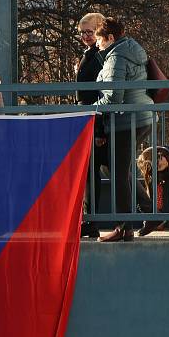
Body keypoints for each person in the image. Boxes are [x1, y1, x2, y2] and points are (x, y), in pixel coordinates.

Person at [92, 17, 155, 242]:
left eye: (99, 39)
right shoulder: (132, 50)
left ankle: (123, 227)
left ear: (110, 38)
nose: (97, 44)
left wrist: (90, 109)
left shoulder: (116, 57)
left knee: (119, 174)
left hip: (126, 121)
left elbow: (113, 98)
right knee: (121, 171)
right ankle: (146, 213)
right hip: (140, 116)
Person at [75, 12, 108, 239]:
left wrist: (99, 129)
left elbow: (99, 91)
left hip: (96, 121)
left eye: (90, 32)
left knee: (97, 171)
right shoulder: (91, 54)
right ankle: (90, 219)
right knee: (94, 171)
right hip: (90, 119)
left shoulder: (99, 56)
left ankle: (92, 219)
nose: (86, 36)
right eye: (83, 32)